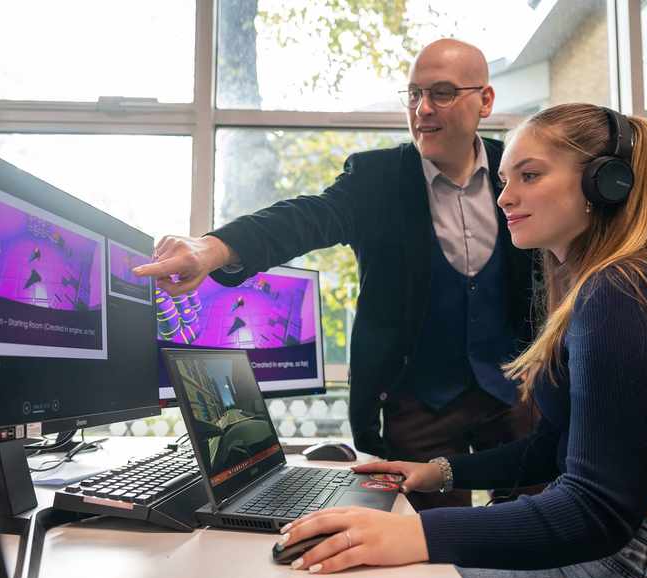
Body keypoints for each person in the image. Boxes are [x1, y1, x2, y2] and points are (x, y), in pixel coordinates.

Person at [270, 104, 647, 578]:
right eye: (505, 180)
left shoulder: (623, 292)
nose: (506, 198)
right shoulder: (607, 285)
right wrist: (440, 472)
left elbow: (597, 510)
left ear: (604, 183)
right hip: (631, 549)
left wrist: (415, 534)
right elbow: (558, 448)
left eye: (530, 176)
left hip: (642, 564)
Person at [135, 39, 538, 509]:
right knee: (424, 546)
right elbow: (306, 218)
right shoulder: (377, 179)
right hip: (417, 403)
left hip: (514, 391)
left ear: (485, 101)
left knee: (534, 529)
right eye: (413, 94)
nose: (422, 109)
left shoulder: (517, 173)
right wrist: (212, 248)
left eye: (442, 93)